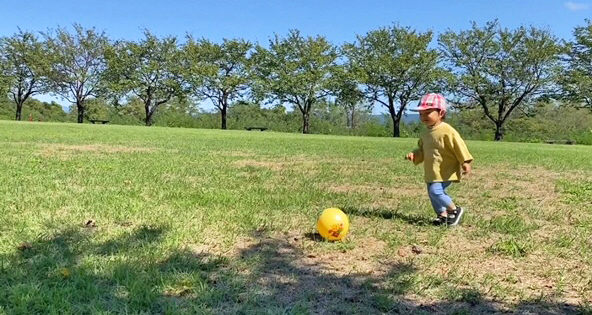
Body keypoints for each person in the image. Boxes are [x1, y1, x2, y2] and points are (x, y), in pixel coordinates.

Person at [405, 93, 473, 226]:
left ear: (441, 113)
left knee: (435, 191)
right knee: (432, 194)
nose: (423, 117)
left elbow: (458, 145)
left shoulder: (447, 130)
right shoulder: (426, 132)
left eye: (427, 113)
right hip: (432, 170)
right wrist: (415, 154)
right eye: (421, 114)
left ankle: (454, 210)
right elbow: (422, 149)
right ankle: (442, 215)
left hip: (445, 170)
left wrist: (465, 162)